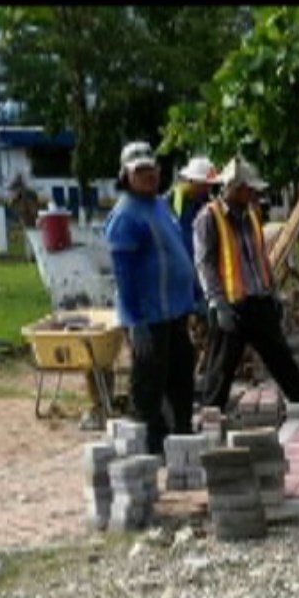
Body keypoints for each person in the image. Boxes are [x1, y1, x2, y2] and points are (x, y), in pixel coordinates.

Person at [193, 155, 299, 410]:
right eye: (248, 189)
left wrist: (272, 293)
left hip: (258, 301)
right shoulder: (209, 217)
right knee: (221, 368)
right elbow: (205, 264)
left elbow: (261, 258)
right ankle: (210, 415)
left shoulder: (251, 214)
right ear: (235, 188)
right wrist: (217, 302)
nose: (252, 194)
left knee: (280, 358)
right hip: (231, 305)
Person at [103, 141, 198, 455]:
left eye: (151, 169)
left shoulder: (160, 205)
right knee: (148, 386)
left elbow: (179, 250)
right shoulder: (125, 216)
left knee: (181, 376)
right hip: (150, 317)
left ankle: (181, 438)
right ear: (126, 176)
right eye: (139, 171)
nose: (148, 176)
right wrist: (134, 320)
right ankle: (151, 450)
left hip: (175, 313)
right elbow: (123, 273)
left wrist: (194, 297)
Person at [168, 156, 222, 382]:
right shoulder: (172, 203)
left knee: (208, 332)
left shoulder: (204, 204)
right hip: (179, 282)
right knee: (185, 338)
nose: (209, 188)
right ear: (193, 181)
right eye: (205, 184)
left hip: (199, 281)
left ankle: (200, 379)